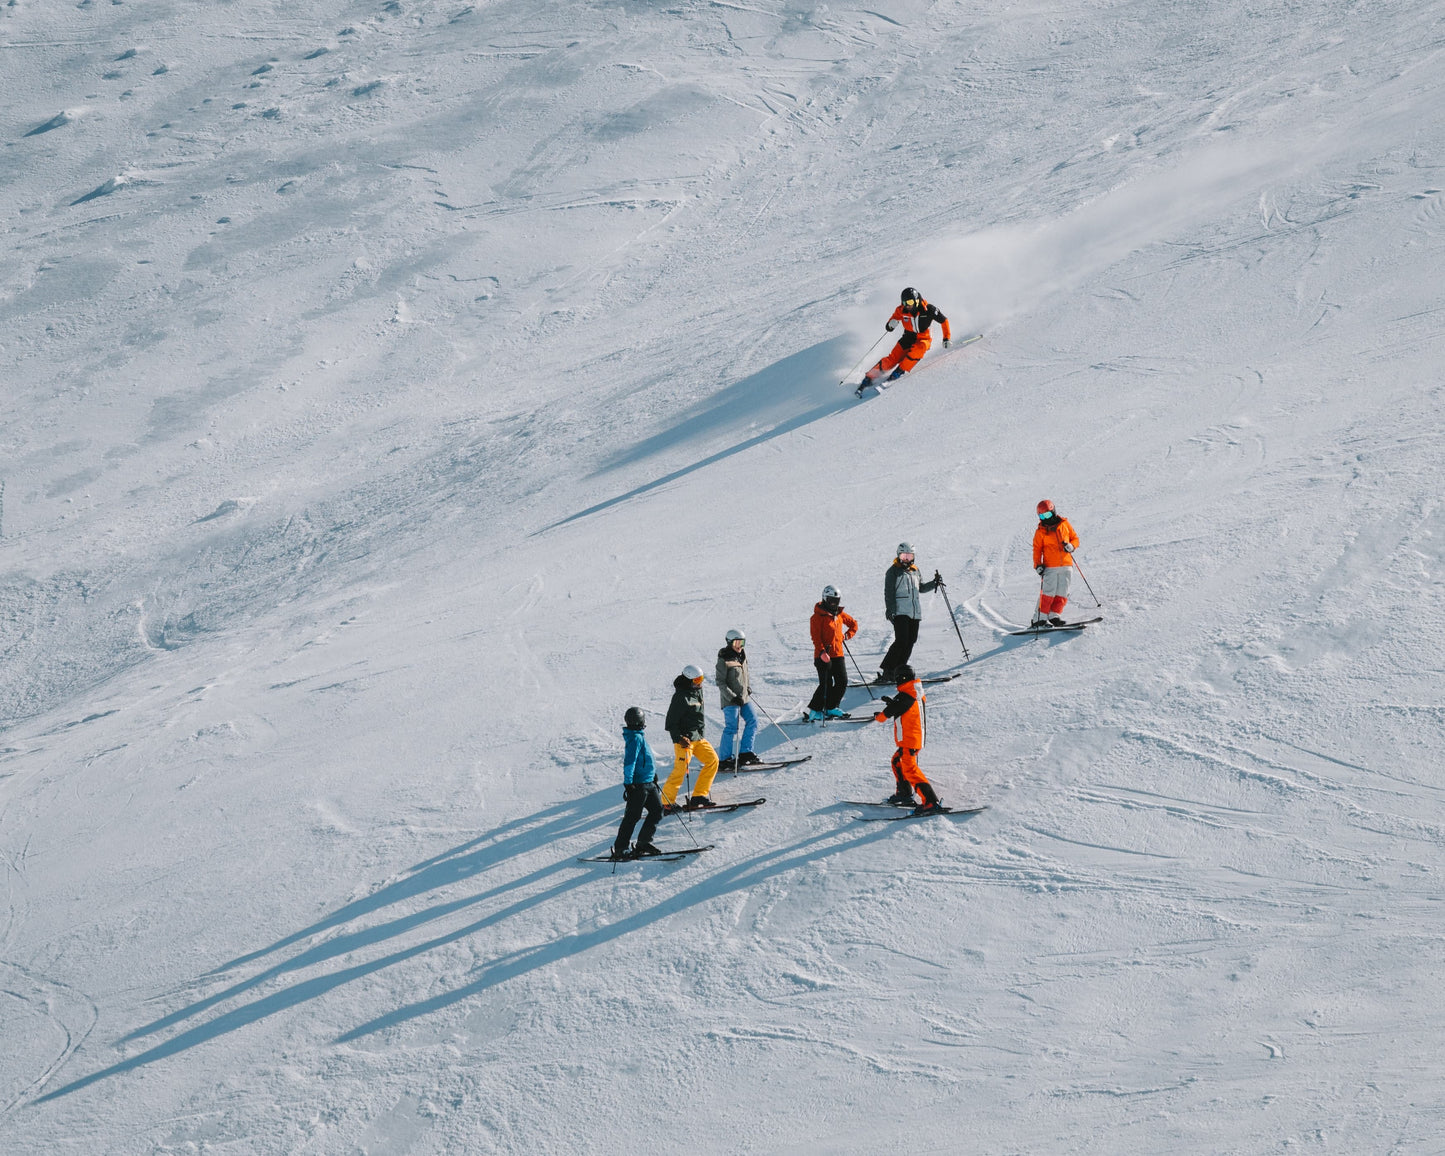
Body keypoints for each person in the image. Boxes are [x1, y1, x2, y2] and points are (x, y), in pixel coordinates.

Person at [872, 664, 943, 813]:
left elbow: (886, 715)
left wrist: (880, 715)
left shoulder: (905, 695)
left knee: (910, 770)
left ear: (901, 678)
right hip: (914, 738)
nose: (896, 682)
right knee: (897, 761)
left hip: (909, 740)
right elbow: (905, 708)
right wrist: (893, 703)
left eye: (897, 679)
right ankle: (904, 794)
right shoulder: (915, 693)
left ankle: (931, 802)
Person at [857, 287, 952, 393]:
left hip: (923, 338)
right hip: (908, 337)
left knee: (919, 349)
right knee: (893, 358)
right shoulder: (901, 310)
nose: (907, 305)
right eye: (904, 302)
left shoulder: (929, 309)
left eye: (910, 302)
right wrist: (890, 325)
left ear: (916, 300)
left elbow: (944, 321)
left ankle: (899, 371)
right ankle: (870, 377)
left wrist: (946, 338)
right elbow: (890, 325)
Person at [878, 542, 941, 682]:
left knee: (911, 640)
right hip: (900, 611)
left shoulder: (915, 570)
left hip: (914, 612)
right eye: (904, 556)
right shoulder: (893, 571)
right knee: (901, 640)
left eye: (909, 556)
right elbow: (888, 592)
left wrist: (934, 583)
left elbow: (922, 588)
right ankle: (888, 670)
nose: (906, 559)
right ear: (898, 555)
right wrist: (890, 610)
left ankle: (899, 670)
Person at [663, 663, 721, 810]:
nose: (699, 682)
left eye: (700, 679)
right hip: (684, 741)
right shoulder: (680, 697)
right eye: (696, 680)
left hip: (698, 737)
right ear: (688, 680)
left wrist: (699, 734)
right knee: (680, 770)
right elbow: (670, 722)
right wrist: (680, 737)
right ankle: (666, 802)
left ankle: (699, 796)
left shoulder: (697, 691)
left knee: (712, 761)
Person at [613, 706, 664, 860]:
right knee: (632, 817)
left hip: (648, 783)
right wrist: (628, 784)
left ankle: (643, 842)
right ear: (641, 721)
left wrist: (652, 774)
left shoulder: (638, 736)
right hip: (639, 785)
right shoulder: (635, 738)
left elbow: (645, 759)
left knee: (657, 811)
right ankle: (621, 848)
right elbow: (630, 762)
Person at [808, 585, 859, 721]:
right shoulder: (817, 617)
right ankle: (815, 710)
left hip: (838, 654)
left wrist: (846, 636)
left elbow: (854, 624)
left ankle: (831, 707)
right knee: (826, 684)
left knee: (842, 681)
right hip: (823, 655)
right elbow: (816, 638)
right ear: (825, 599)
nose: (833, 603)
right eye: (831, 600)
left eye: (836, 600)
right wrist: (822, 652)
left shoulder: (839, 614)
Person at [715, 628, 760, 771]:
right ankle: (724, 759)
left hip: (744, 698)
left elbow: (744, 675)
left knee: (753, 721)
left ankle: (746, 753)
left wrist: (747, 688)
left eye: (742, 642)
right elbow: (720, 682)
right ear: (729, 642)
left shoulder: (742, 656)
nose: (740, 645)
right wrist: (732, 697)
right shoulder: (724, 659)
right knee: (731, 728)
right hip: (730, 701)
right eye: (737, 642)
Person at [1032, 499, 1080, 627]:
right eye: (1042, 516)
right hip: (1050, 566)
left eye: (1047, 515)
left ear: (1053, 511)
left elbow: (1075, 538)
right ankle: (1039, 618)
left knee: (1062, 591)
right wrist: (1037, 565)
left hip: (1066, 564)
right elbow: (1037, 549)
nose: (1045, 518)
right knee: (1048, 592)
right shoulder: (1040, 531)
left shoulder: (1064, 524)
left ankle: (1054, 615)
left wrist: (1071, 546)